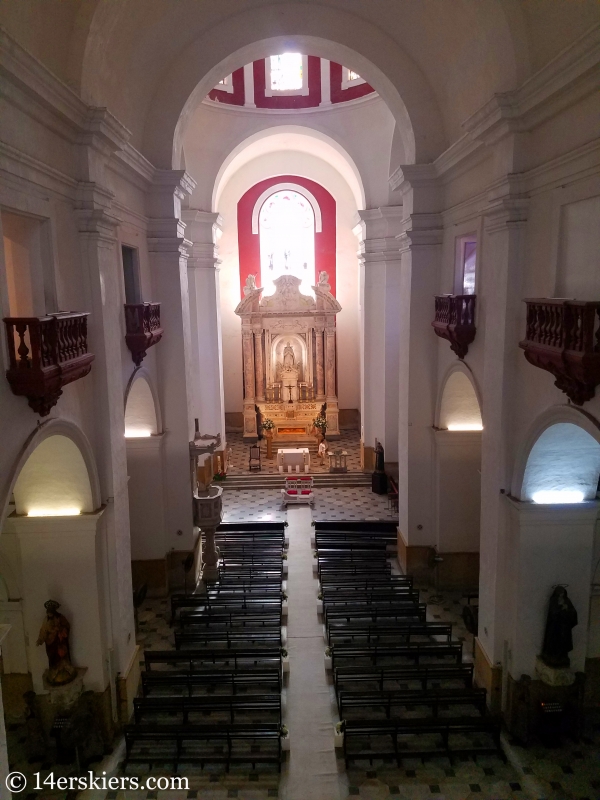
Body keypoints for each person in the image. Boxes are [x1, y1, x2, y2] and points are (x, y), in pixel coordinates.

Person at [36, 600, 77, 686]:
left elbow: (67, 625)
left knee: (60, 655)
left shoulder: (60, 617)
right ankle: (54, 671)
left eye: (51, 613)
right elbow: (43, 630)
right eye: (48, 613)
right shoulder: (46, 620)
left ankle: (64, 669)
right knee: (52, 656)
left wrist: (61, 629)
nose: (49, 614)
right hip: (50, 642)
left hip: (59, 641)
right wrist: (40, 640)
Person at [541, 586, 578, 668]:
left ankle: (562, 657)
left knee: (563, 642)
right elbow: (553, 613)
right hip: (555, 627)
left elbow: (573, 612)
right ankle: (553, 657)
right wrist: (561, 608)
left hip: (565, 627)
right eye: (560, 594)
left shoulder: (567, 600)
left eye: (563, 594)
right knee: (554, 642)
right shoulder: (554, 600)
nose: (561, 596)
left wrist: (567, 608)